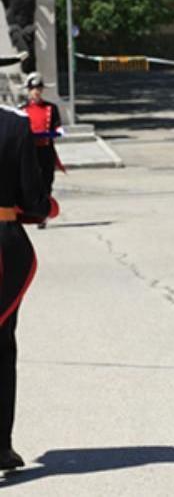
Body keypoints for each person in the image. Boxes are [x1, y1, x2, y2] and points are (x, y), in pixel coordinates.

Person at [0, 105, 54, 471]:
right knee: (2, 346)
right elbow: (32, 197)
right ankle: (0, 446)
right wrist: (44, 207)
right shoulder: (14, 125)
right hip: (3, 244)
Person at [18, 73, 61, 213]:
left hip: (46, 150)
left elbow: (57, 126)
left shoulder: (51, 108)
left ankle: (44, 212)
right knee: (30, 182)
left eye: (38, 88)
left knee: (47, 181)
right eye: (33, 89)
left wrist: (58, 132)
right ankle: (31, 209)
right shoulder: (22, 110)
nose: (36, 92)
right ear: (29, 90)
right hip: (29, 152)